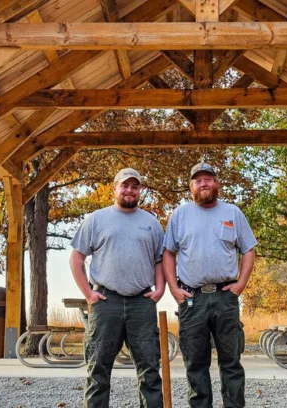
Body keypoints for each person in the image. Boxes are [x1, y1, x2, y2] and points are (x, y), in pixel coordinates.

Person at [163, 161, 257, 408]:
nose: (203, 183)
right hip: (192, 299)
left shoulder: (232, 213)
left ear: (217, 183)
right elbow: (168, 253)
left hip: (225, 297)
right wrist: (173, 288)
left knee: (231, 362)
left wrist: (241, 284)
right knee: (195, 363)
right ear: (191, 187)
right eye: (198, 180)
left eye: (207, 179)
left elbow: (249, 249)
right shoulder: (180, 215)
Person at [69, 167, 165, 408]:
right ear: (115, 188)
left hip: (142, 302)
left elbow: (160, 260)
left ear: (140, 190)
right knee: (98, 368)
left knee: (150, 368)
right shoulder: (96, 220)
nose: (129, 190)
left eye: (135, 186)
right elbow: (76, 259)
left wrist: (160, 289)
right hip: (106, 301)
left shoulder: (151, 223)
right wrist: (89, 293)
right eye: (125, 185)